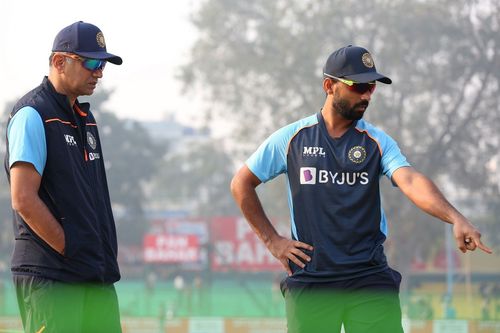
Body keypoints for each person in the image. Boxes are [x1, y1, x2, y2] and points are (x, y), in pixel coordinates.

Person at [230, 45, 492, 333]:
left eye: (371, 87)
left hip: (369, 278)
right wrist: (273, 241)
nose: (367, 94)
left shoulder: (376, 141)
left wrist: (456, 218)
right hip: (312, 279)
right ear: (329, 86)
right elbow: (241, 183)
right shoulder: (292, 139)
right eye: (359, 86)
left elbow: (411, 181)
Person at [4, 21, 123, 333]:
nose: (99, 72)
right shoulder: (32, 114)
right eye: (92, 63)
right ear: (59, 61)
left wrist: (93, 257)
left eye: (103, 65)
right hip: (54, 277)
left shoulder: (87, 118)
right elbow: (23, 199)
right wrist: (70, 248)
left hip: (95, 276)